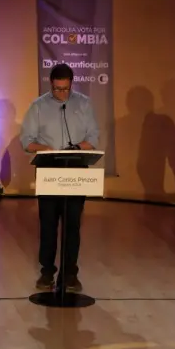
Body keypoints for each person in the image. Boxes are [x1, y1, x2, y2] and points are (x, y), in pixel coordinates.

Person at [20, 63, 100, 292]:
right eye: (57, 89)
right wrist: (44, 148)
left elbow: (93, 136)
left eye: (65, 89)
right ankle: (47, 272)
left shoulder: (83, 104)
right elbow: (27, 141)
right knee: (48, 225)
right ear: (51, 84)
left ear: (72, 84)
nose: (61, 94)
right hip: (49, 170)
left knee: (72, 225)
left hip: (76, 170)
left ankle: (70, 274)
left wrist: (77, 147)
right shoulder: (38, 106)